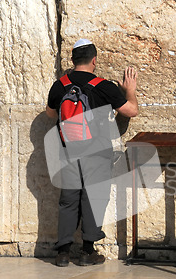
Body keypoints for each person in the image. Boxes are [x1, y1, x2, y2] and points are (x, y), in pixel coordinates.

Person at [45, 38, 138, 267]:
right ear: (94, 61)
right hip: (97, 153)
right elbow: (131, 111)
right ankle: (87, 252)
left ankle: (63, 253)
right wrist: (130, 91)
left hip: (68, 151)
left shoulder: (60, 85)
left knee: (68, 200)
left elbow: (50, 114)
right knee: (93, 199)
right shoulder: (102, 86)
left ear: (73, 60)